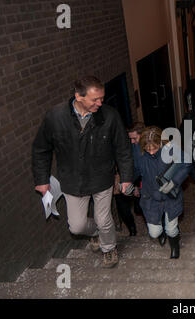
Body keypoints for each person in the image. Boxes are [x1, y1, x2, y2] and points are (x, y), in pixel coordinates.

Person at [32, 75, 133, 268]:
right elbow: (40, 149)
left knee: (104, 219)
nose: (100, 103)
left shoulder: (110, 116)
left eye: (102, 98)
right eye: (95, 99)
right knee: (76, 226)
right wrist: (42, 179)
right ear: (78, 96)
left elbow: (123, 148)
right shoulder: (55, 117)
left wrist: (126, 177)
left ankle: (109, 247)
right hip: (72, 180)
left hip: (102, 177)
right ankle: (96, 233)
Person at [134, 126, 192, 258]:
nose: (152, 152)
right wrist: (127, 182)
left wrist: (174, 181)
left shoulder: (170, 148)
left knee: (171, 229)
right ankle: (162, 233)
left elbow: (186, 162)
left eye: (154, 148)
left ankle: (174, 244)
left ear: (160, 142)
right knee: (154, 232)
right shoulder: (138, 152)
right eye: (148, 149)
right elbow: (135, 170)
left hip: (170, 195)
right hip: (150, 196)